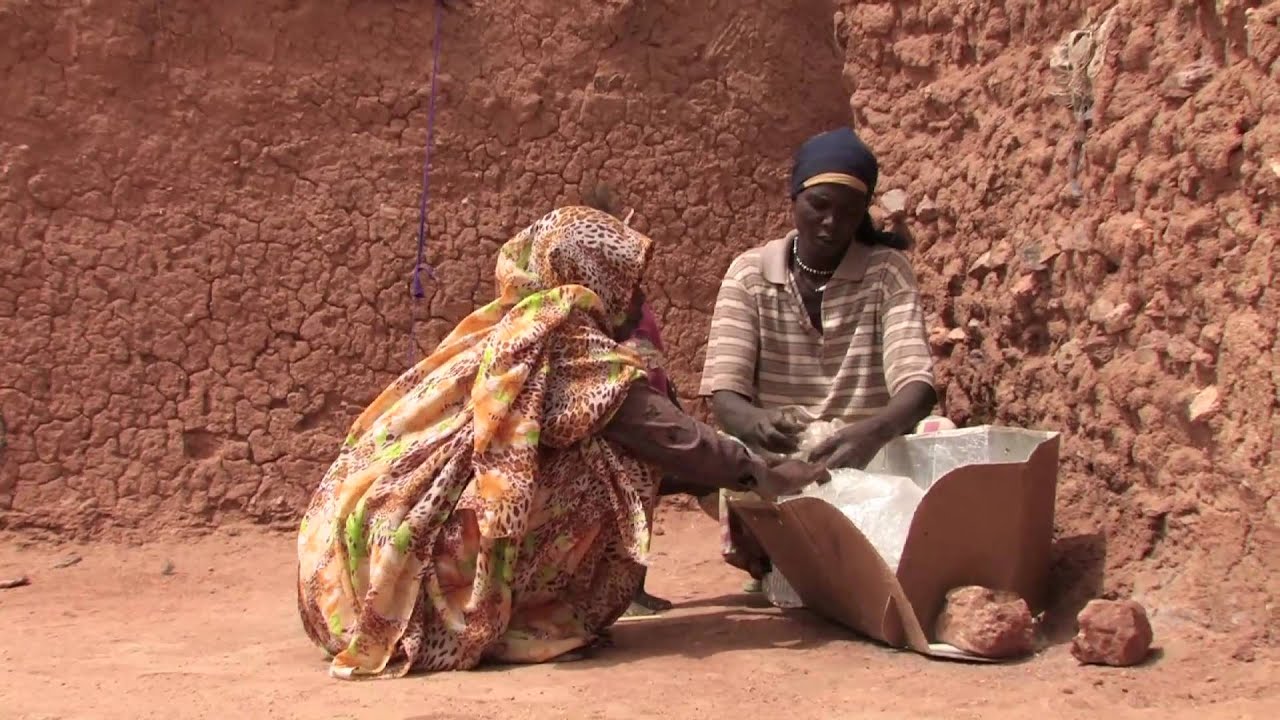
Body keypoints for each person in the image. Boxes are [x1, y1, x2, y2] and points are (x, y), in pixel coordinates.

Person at [296, 206, 830, 679]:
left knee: (603, 456)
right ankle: (506, 617)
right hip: (416, 580)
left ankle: (508, 606)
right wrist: (765, 473)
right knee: (614, 468)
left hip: (345, 576)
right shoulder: (573, 343)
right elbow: (669, 437)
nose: (638, 296)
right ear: (593, 274)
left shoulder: (509, 324)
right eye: (629, 280)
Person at [698, 126, 941, 591]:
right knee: (713, 456)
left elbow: (917, 387)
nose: (831, 223)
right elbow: (726, 396)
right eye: (819, 206)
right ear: (794, 198)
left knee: (938, 437)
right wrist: (757, 422)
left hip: (866, 456)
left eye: (848, 212)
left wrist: (871, 431)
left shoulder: (886, 272)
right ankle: (771, 554)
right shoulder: (749, 275)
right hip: (780, 464)